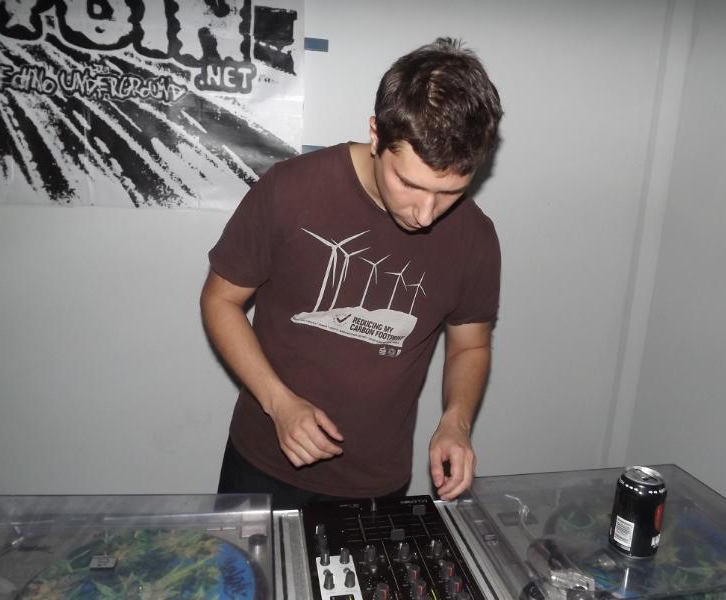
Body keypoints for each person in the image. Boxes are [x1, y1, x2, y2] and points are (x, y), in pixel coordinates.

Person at [201, 37, 503, 509]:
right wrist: (279, 403)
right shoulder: (290, 190)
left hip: (376, 481)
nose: (426, 214)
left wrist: (455, 422)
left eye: (449, 193)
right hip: (263, 461)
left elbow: (471, 345)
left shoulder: (476, 239)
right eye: (409, 184)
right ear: (376, 135)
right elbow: (220, 300)